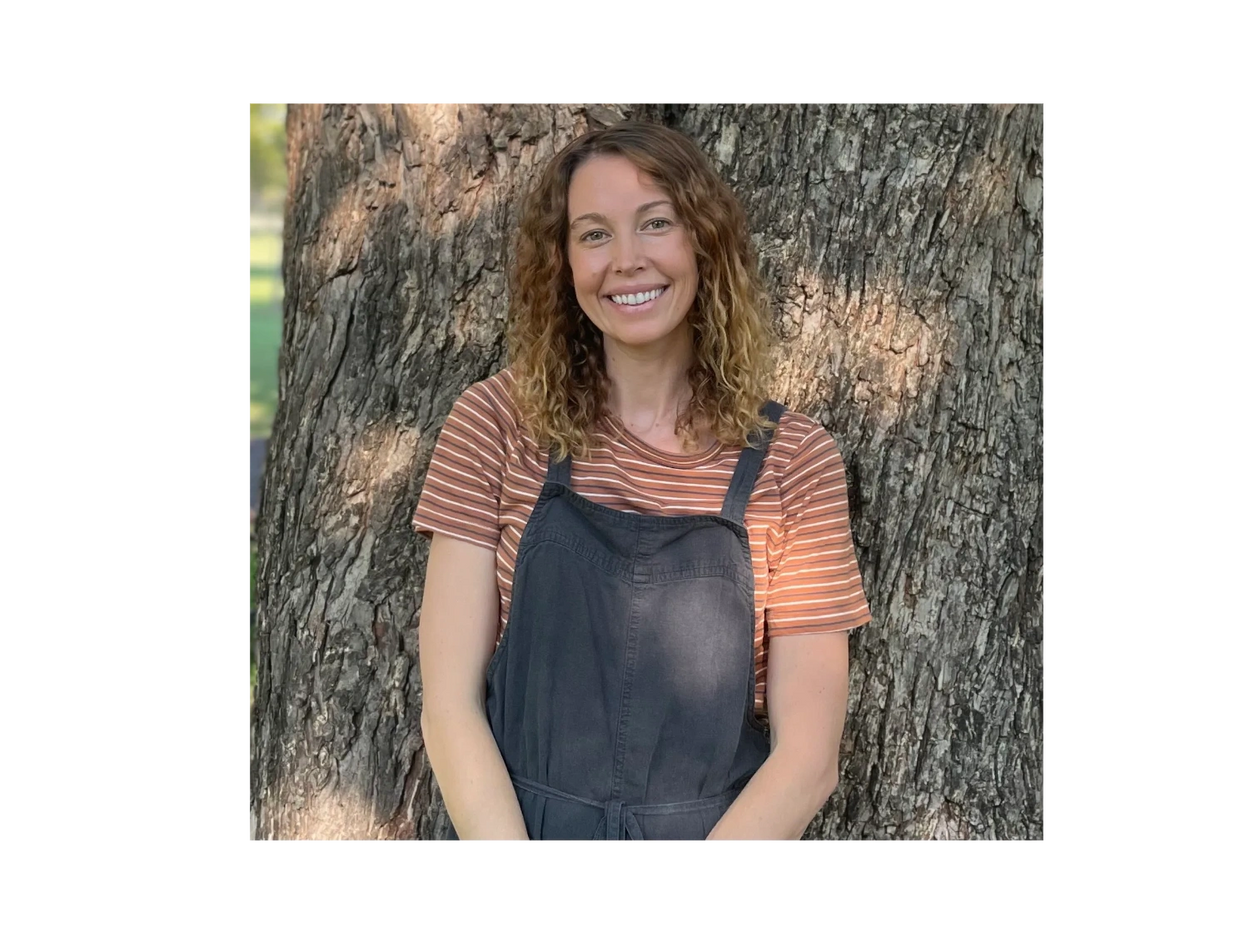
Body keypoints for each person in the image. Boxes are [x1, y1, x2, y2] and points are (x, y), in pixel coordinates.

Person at [414, 121, 872, 844]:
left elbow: (807, 761)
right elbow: (447, 705)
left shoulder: (793, 460)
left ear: (703, 241)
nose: (626, 261)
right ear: (563, 262)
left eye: (655, 224)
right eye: (594, 234)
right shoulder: (496, 424)